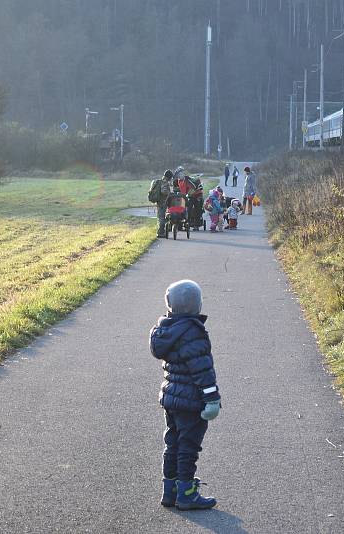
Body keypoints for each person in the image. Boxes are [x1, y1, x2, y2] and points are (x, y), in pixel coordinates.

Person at [150, 280, 220, 511]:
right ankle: (187, 493)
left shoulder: (167, 330)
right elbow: (202, 370)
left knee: (172, 444)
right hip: (191, 402)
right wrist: (212, 399)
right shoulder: (193, 333)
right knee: (188, 447)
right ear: (197, 306)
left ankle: (170, 490)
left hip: (171, 398)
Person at [155, 170, 174, 237]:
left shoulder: (162, 181)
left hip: (161, 202)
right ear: (168, 177)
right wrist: (170, 193)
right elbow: (163, 191)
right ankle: (160, 233)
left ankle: (162, 231)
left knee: (161, 217)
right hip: (162, 202)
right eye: (171, 177)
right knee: (161, 218)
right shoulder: (164, 182)